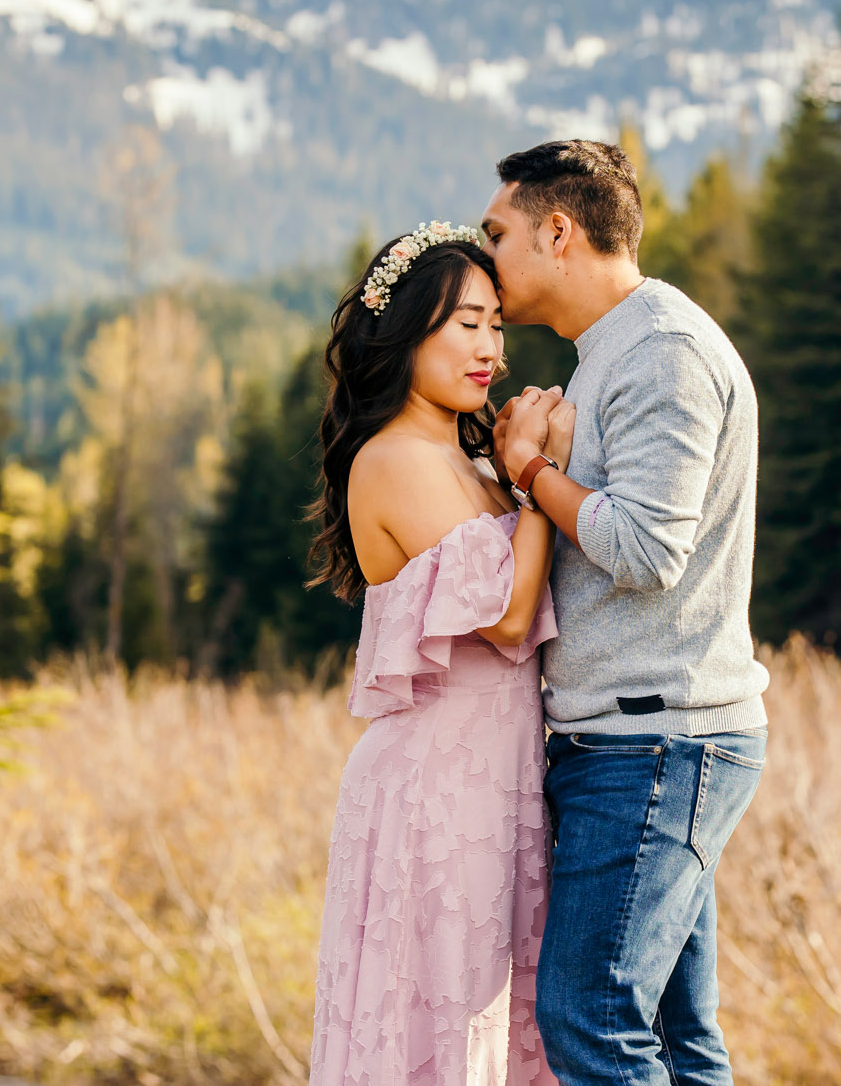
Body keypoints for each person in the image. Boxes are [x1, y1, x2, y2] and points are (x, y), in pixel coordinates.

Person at [481, 140, 771, 1086]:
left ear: (557, 231)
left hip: (655, 742)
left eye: (499, 233)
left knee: (590, 1020)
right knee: (679, 1044)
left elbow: (649, 548)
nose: (486, 257)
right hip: (639, 739)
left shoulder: (664, 352)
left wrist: (533, 474)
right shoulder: (614, 350)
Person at [307, 221, 575, 1085]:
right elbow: (505, 618)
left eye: (498, 323)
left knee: (494, 1024)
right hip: (432, 794)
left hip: (498, 785)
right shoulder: (392, 458)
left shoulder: (473, 461)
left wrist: (516, 469)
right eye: (466, 322)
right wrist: (535, 472)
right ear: (406, 331)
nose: (490, 347)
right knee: (436, 1026)